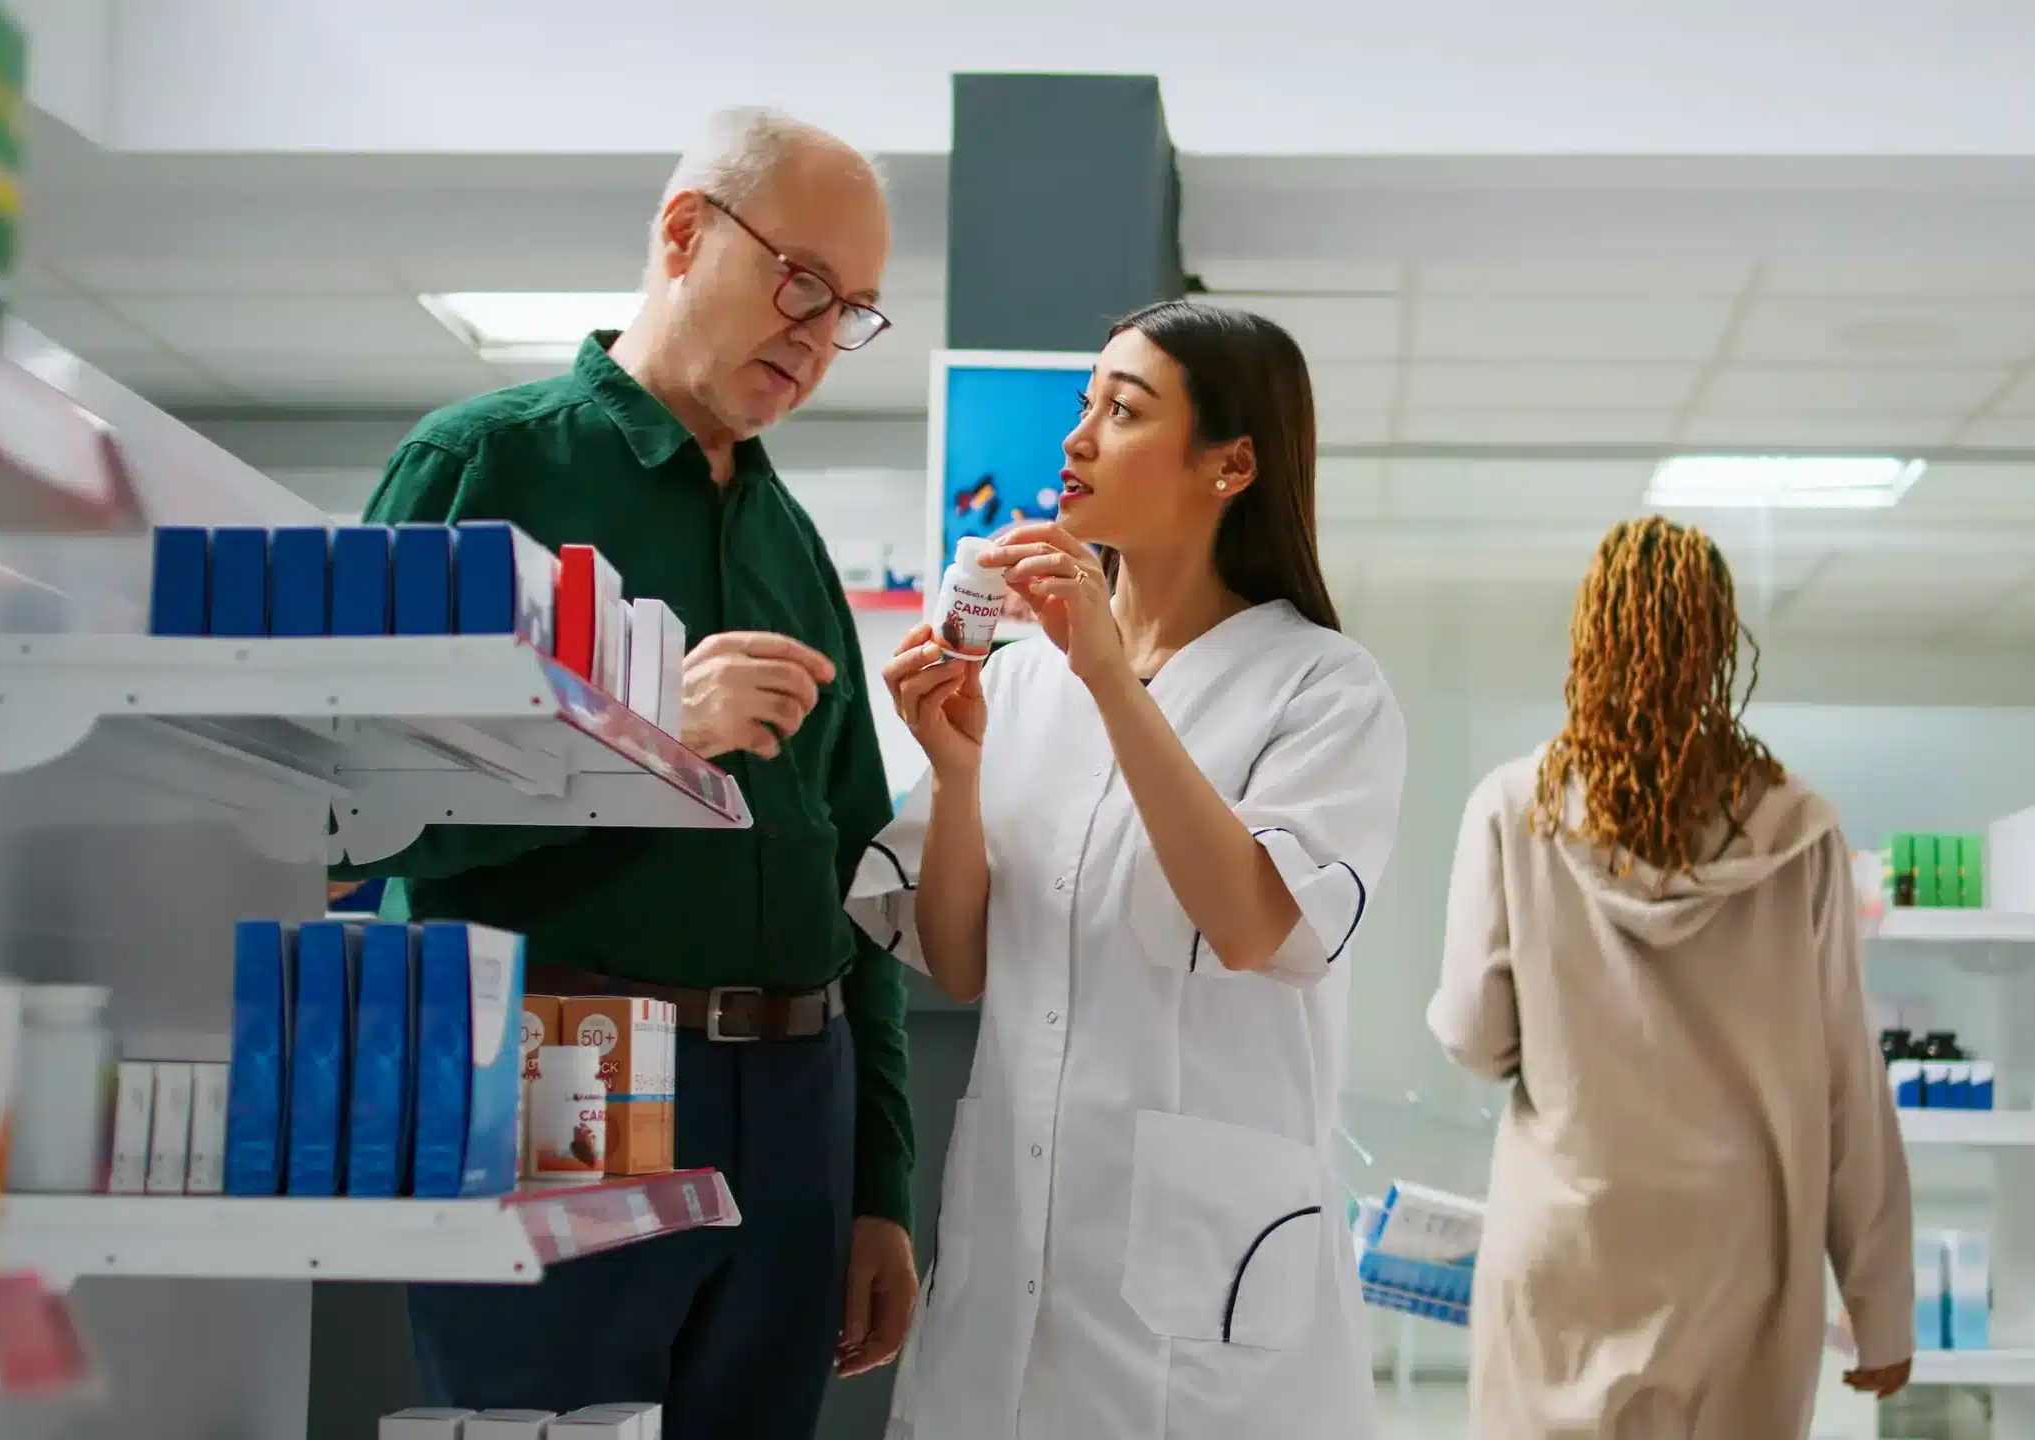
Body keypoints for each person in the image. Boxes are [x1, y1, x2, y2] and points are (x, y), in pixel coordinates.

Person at [329, 107, 917, 1440]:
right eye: (804, 283)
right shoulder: (486, 465)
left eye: (855, 312)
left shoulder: (791, 540)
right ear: (683, 232)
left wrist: (880, 1175)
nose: (819, 336)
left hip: (797, 1088)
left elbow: (857, 877)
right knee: (541, 1422)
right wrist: (633, 725)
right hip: (563, 1048)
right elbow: (345, 815)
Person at [850, 301, 1407, 1440]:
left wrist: (1111, 678)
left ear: (1232, 464)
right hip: (1010, 1276)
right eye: (1083, 405)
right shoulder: (1014, 685)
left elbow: (1255, 924)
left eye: (1124, 409)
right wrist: (957, 776)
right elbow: (959, 962)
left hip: (1204, 1318)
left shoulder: (1322, 690)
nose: (1077, 439)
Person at [1428, 516, 1915, 1439]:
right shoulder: (1797, 826)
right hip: (1741, 1256)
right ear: (1718, 645)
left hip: (1567, 1244)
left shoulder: (1511, 806)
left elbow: (1474, 1036)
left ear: (1591, 640)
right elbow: (1848, 1078)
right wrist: (1880, 1306)